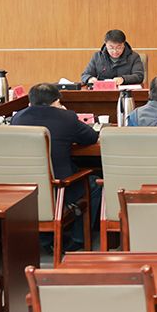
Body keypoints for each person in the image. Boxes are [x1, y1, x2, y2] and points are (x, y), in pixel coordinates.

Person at [10, 82, 100, 250]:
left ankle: (45, 240)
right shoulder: (66, 117)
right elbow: (91, 137)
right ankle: (78, 239)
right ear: (57, 101)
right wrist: (64, 112)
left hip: (26, 188)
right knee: (95, 185)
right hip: (60, 187)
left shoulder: (18, 118)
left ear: (30, 101)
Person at [81, 29, 145, 86]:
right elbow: (85, 75)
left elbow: (139, 76)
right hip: (102, 92)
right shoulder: (97, 57)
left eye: (119, 47)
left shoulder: (134, 57)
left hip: (125, 92)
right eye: (111, 48)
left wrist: (123, 79)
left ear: (124, 44)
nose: (115, 51)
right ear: (105, 44)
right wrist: (90, 78)